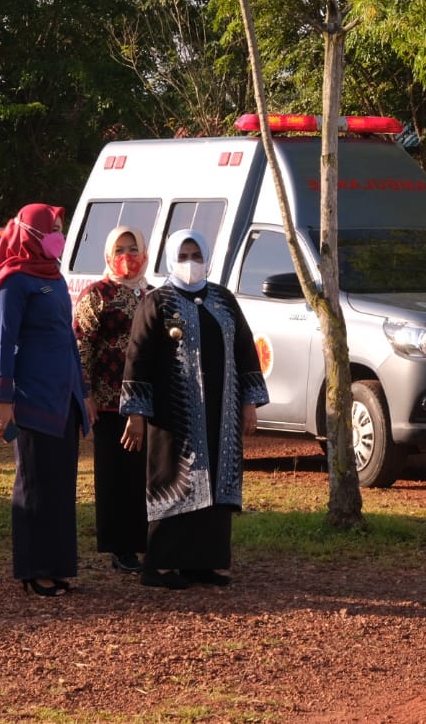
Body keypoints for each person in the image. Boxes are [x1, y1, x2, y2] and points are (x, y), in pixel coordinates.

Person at [120, 229, 270, 590]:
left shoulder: (223, 300)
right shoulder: (157, 302)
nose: (191, 262)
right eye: (184, 256)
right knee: (174, 481)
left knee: (216, 484)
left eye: (196, 255)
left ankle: (205, 563)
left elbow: (245, 350)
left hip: (222, 414)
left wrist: (249, 403)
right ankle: (160, 566)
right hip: (174, 415)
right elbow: (138, 357)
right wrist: (136, 413)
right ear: (172, 258)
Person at [0, 203, 89, 597]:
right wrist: (3, 399)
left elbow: (68, 338)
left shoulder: (55, 277)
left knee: (60, 486)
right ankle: (34, 569)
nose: (58, 236)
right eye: (52, 229)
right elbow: (5, 343)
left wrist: (84, 394)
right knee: (35, 484)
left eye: (60, 228)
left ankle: (58, 566)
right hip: (31, 399)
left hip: (64, 399)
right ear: (30, 234)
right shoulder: (14, 281)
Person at [72, 226, 152, 575]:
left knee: (146, 474)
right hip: (109, 401)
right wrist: (86, 393)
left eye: (133, 248)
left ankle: (149, 540)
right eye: (119, 249)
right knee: (116, 475)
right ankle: (121, 546)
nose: (127, 256)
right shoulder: (97, 295)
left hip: (148, 400)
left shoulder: (153, 294)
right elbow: (82, 344)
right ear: (107, 254)